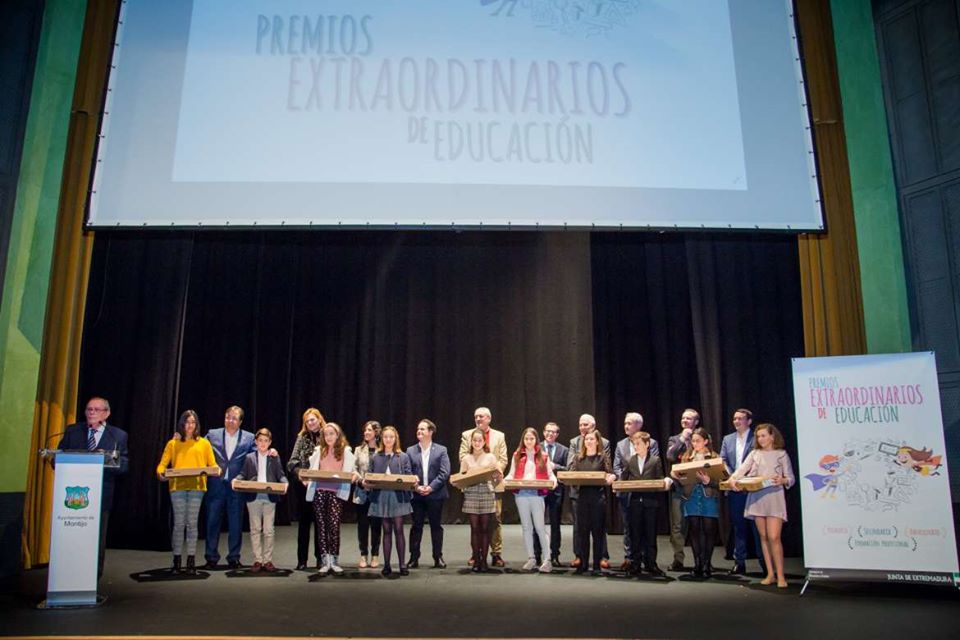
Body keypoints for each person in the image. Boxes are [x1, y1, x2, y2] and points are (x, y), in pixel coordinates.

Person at [58, 396, 129, 578]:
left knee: (96, 539)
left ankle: (92, 577)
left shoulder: (117, 436)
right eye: (89, 409)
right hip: (71, 498)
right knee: (71, 538)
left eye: (97, 410)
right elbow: (57, 457)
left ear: (107, 413)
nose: (91, 413)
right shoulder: (73, 431)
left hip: (100, 496)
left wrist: (103, 461)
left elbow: (123, 465)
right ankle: (67, 573)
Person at [728, 423, 795, 588]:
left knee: (774, 537)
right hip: (757, 497)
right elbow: (741, 470)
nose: (760, 439)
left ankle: (781, 575)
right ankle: (770, 574)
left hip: (774, 498)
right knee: (763, 537)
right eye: (758, 436)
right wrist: (733, 479)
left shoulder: (781, 454)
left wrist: (783, 480)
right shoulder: (754, 454)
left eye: (764, 435)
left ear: (772, 436)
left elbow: (791, 478)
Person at [156, 409, 216, 574]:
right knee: (179, 524)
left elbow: (212, 464)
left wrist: (216, 470)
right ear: (182, 424)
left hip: (197, 487)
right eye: (187, 422)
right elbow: (162, 464)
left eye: (193, 422)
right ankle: (176, 561)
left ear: (197, 425)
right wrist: (160, 473)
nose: (190, 425)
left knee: (192, 524)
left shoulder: (204, 443)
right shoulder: (173, 443)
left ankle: (191, 561)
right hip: (178, 486)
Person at [204, 405, 256, 569]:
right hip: (216, 485)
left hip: (236, 488)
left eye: (234, 418)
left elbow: (258, 455)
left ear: (240, 421)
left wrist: (271, 452)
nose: (230, 421)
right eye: (227, 417)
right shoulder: (212, 434)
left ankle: (234, 557)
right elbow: (199, 447)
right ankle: (211, 557)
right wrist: (180, 437)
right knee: (212, 522)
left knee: (235, 524)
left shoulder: (249, 438)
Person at [458, 407, 508, 567]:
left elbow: (503, 459)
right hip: (472, 487)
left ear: (489, 418)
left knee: (495, 521)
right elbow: (463, 457)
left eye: (481, 416)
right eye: (476, 417)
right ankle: (475, 555)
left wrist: (492, 472)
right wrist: (477, 472)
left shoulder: (499, 436)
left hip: (492, 486)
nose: (478, 419)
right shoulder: (467, 435)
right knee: (475, 526)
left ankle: (496, 554)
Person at [234, 428, 288, 572]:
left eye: (266, 441)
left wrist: (285, 483)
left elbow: (280, 475)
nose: (263, 443)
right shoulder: (249, 457)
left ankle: (268, 560)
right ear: (256, 442)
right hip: (253, 497)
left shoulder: (274, 457)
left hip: (270, 497)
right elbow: (242, 474)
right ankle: (258, 560)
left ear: (270, 442)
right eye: (260, 441)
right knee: (255, 529)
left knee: (269, 530)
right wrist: (236, 480)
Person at [305, 422, 355, 575]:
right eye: (326, 434)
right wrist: (306, 478)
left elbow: (352, 470)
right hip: (320, 490)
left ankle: (334, 560)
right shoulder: (319, 450)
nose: (328, 437)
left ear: (337, 435)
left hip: (336, 492)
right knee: (321, 526)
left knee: (333, 526)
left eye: (331, 434)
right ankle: (324, 560)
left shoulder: (345, 451)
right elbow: (311, 470)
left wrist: (354, 476)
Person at [613, 412, 660, 571]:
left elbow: (654, 470)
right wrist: (624, 483)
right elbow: (618, 468)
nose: (626, 426)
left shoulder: (652, 446)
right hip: (629, 495)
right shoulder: (622, 447)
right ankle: (632, 560)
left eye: (630, 423)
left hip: (648, 496)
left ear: (639, 425)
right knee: (631, 529)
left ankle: (649, 561)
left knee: (649, 530)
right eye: (625, 423)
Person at [505, 427, 557, 572]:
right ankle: (531, 558)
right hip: (521, 495)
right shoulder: (517, 455)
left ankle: (547, 560)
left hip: (537, 495)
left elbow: (550, 474)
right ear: (523, 440)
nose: (529, 441)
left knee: (540, 527)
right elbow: (511, 474)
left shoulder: (543, 456)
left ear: (536, 440)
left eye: (531, 439)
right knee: (526, 527)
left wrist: (554, 481)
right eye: (526, 439)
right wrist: (505, 480)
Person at [672, 427, 721, 578]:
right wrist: (678, 476)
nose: (695, 444)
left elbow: (722, 480)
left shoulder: (714, 457)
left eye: (698, 441)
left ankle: (707, 563)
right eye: (693, 441)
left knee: (708, 530)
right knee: (694, 530)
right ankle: (697, 563)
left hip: (708, 496)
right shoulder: (687, 457)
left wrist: (708, 480)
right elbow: (681, 477)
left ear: (705, 441)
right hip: (691, 496)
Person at [719, 408, 763, 575]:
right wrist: (732, 478)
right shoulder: (728, 439)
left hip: (753, 489)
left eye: (740, 418)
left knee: (757, 528)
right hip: (734, 488)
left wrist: (745, 477)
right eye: (735, 419)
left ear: (749, 421)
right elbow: (723, 460)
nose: (736, 421)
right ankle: (739, 562)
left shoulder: (757, 438)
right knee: (739, 527)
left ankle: (764, 563)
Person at [365, 426, 413, 576]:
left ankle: (402, 564)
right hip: (381, 496)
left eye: (391, 437)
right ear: (382, 439)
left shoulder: (402, 457)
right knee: (386, 530)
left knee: (399, 529)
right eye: (386, 437)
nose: (388, 439)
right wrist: (367, 482)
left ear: (395, 438)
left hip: (398, 496)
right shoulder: (376, 457)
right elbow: (370, 475)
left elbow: (408, 475)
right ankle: (386, 565)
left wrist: (412, 481)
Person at [566, 414, 611, 569]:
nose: (588, 441)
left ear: (597, 441)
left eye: (592, 439)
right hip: (582, 498)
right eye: (586, 439)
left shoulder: (602, 458)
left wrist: (611, 478)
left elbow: (610, 473)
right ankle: (583, 563)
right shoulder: (578, 458)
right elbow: (571, 473)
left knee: (598, 532)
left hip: (598, 498)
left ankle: (598, 563)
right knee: (582, 531)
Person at [620, 431, 668, 577]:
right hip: (635, 503)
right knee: (635, 535)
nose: (636, 446)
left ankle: (651, 563)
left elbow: (659, 479)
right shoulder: (630, 460)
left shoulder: (655, 460)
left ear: (647, 444)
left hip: (650, 503)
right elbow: (624, 479)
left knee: (650, 535)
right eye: (634, 444)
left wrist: (664, 482)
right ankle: (635, 564)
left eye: (638, 444)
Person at [407, 419, 451, 569]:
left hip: (435, 495)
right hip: (417, 495)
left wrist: (431, 487)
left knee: (436, 526)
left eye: (422, 429)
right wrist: (416, 487)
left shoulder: (441, 450)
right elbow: (407, 472)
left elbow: (444, 472)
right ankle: (413, 558)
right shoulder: (410, 451)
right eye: (418, 429)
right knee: (416, 526)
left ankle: (438, 557)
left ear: (431, 432)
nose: (419, 431)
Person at [286, 408, 325, 570]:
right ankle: (302, 560)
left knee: (320, 524)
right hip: (304, 486)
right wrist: (301, 476)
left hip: (323, 485)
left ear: (319, 419)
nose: (310, 423)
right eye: (307, 421)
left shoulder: (327, 435)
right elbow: (292, 462)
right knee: (304, 524)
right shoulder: (301, 437)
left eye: (312, 420)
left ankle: (320, 559)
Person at [665, 408, 699, 571]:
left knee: (698, 525)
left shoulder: (702, 437)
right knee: (677, 526)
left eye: (689, 419)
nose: (685, 421)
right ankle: (678, 559)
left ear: (696, 422)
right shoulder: (674, 439)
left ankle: (701, 560)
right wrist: (683, 438)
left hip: (697, 488)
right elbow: (670, 456)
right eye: (683, 418)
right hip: (678, 488)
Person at [533, 422, 568, 566]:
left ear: (557, 434)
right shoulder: (536, 448)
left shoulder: (564, 450)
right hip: (539, 490)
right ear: (543, 432)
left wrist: (555, 466)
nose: (550, 434)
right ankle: (537, 555)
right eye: (548, 431)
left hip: (556, 491)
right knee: (537, 523)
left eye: (553, 432)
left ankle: (554, 555)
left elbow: (568, 469)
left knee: (555, 524)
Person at [352, 420, 382, 568]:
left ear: (376, 432)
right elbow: (353, 468)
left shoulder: (382, 450)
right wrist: (361, 481)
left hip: (377, 494)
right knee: (362, 526)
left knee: (376, 525)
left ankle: (375, 555)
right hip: (362, 492)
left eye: (369, 430)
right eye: (365, 430)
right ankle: (363, 555)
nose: (366, 432)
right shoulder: (358, 450)